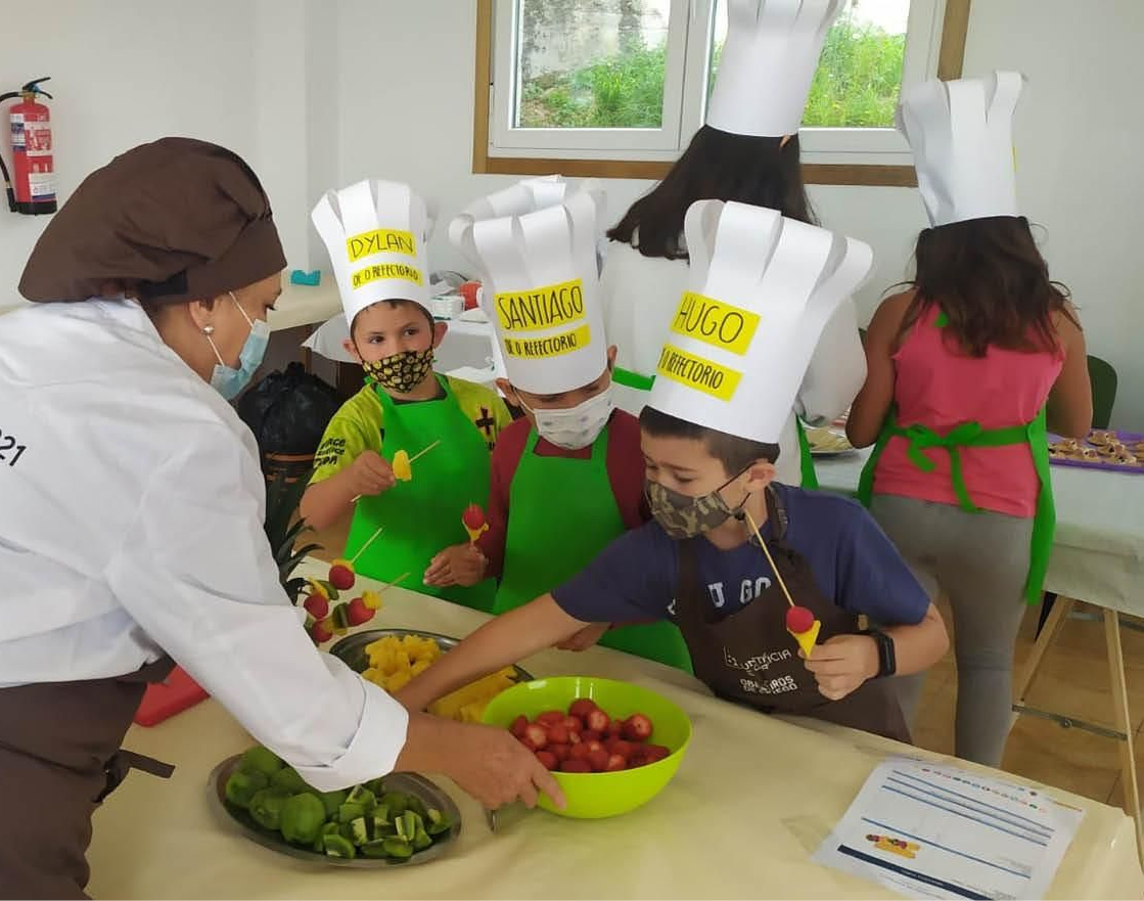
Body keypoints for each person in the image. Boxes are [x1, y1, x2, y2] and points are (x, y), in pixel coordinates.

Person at [0, 139, 557, 900]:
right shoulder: (178, 429)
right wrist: (458, 751)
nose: (261, 332)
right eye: (259, 308)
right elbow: (299, 711)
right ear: (202, 303)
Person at [398, 200, 948, 742]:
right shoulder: (661, 549)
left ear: (757, 475)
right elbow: (532, 625)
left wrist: (874, 653)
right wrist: (407, 703)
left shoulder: (836, 530)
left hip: (847, 740)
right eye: (653, 468)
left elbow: (931, 634)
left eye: (683, 480)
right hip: (741, 738)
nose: (661, 490)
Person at [848, 72, 1092, 766]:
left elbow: (862, 431)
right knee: (987, 665)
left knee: (901, 647)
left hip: (903, 502)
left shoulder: (903, 310)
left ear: (937, 238)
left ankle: (874, 782)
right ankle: (971, 795)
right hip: (1002, 512)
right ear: (1018, 236)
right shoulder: (1057, 317)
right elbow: (1076, 423)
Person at [599, 0, 865, 487]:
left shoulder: (633, 236)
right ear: (785, 150)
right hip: (741, 472)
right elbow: (828, 397)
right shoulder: (803, 258)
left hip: (628, 450)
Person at [445, 182, 690, 671]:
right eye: (551, 398)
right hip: (519, 643)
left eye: (592, 386)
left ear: (611, 364)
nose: (577, 406)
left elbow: (677, 561)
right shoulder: (511, 445)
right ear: (510, 392)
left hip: (630, 653)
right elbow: (499, 536)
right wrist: (475, 560)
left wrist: (611, 616)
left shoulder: (640, 446)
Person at [301, 178, 509, 610]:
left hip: (472, 591)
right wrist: (349, 480)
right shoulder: (358, 418)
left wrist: (484, 557)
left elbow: (511, 500)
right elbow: (311, 516)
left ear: (437, 335)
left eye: (410, 333)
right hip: (380, 594)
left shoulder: (482, 405)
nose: (395, 350)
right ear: (353, 352)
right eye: (376, 340)